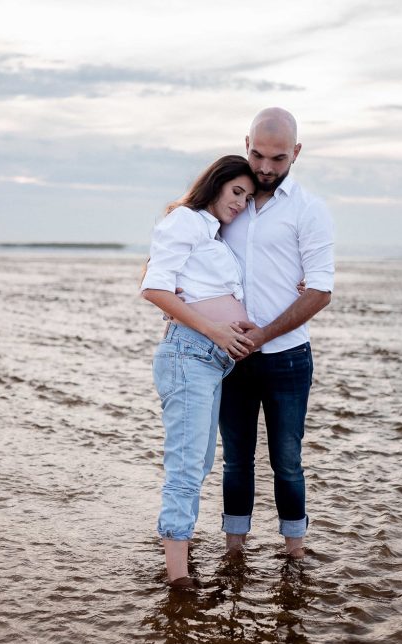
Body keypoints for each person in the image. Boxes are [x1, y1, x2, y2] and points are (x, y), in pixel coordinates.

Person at [218, 108, 335, 560]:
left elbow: (321, 290)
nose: (266, 168)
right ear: (245, 143)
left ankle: (294, 553)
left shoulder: (309, 210)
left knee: (286, 462)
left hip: (287, 358)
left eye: (279, 159)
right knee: (235, 461)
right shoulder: (229, 200)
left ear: (297, 153)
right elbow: (184, 244)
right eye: (258, 155)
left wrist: (263, 334)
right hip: (230, 356)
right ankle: (234, 551)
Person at [140, 155, 258, 589]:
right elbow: (154, 287)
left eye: (247, 196)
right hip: (189, 354)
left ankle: (177, 549)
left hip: (210, 361)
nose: (241, 203)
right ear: (215, 184)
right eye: (236, 192)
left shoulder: (214, 236)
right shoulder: (186, 220)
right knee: (187, 467)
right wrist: (216, 331)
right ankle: (178, 579)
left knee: (201, 462)